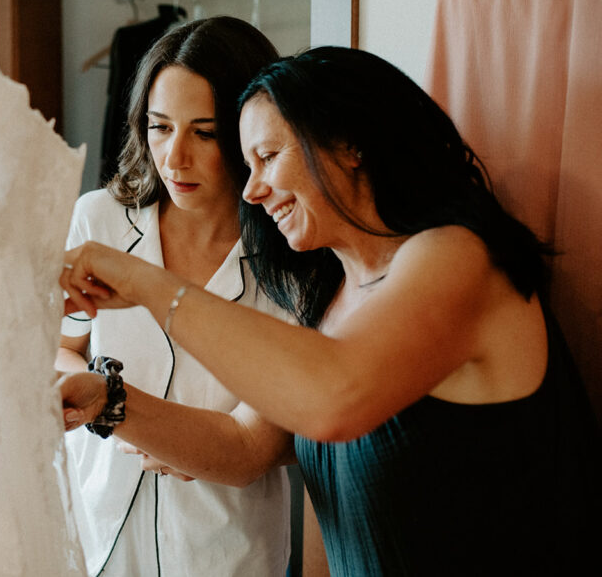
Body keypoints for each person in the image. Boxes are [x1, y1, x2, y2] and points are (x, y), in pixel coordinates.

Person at [59, 46, 602, 576]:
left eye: (268, 157)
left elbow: (335, 398)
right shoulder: (332, 297)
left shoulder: (458, 258)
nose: (251, 191)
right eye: (247, 165)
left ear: (350, 146)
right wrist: (105, 400)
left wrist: (150, 286)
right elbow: (269, 461)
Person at [57, 16, 294, 577]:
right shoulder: (99, 220)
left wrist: (172, 433)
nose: (174, 157)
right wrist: (86, 392)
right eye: (160, 127)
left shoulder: (291, 253)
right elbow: (62, 345)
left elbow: (257, 446)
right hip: (99, 527)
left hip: (225, 548)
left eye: (204, 133)